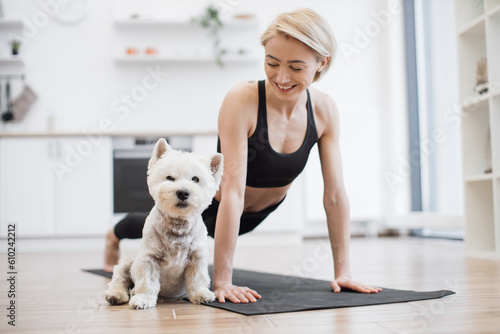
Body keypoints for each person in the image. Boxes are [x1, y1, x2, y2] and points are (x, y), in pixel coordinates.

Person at [104, 8, 382, 304]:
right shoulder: (242, 101)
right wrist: (222, 281)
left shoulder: (324, 110)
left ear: (320, 63)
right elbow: (233, 192)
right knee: (159, 223)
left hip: (261, 212)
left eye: (296, 67)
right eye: (272, 63)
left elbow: (335, 194)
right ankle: (113, 236)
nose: (282, 77)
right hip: (218, 209)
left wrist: (343, 272)